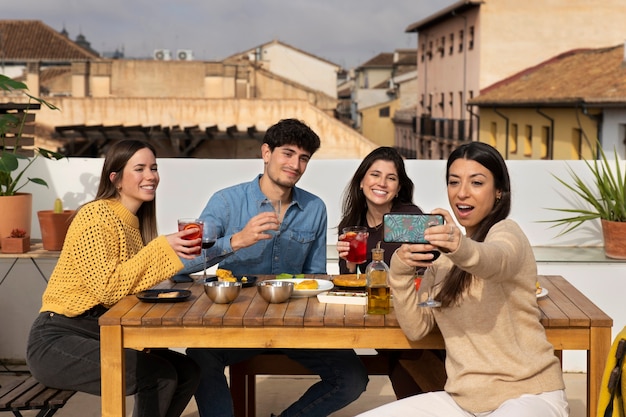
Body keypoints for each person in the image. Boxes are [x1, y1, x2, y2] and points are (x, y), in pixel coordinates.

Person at [357, 142, 569, 417]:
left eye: (477, 182)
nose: (462, 192)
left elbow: (495, 260)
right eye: (454, 182)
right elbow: (417, 328)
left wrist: (459, 245)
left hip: (528, 394)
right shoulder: (443, 261)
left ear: (499, 191)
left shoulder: (507, 233)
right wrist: (400, 268)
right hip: (463, 402)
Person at [180, 118, 368, 417]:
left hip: (295, 326)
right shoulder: (227, 202)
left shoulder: (314, 208)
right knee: (199, 357)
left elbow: (315, 276)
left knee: (352, 379)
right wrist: (237, 240)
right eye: (288, 153)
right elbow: (183, 264)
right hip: (236, 324)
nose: (295, 164)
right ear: (266, 153)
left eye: (303, 158)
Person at [26, 139, 201, 417]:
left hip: (100, 332)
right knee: (159, 375)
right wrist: (162, 247)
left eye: (153, 168)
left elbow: (132, 284)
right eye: (140, 168)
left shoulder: (133, 225)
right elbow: (108, 289)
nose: (151, 176)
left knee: (188, 370)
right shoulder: (96, 215)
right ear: (116, 179)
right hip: (58, 338)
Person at [336, 146, 446, 399]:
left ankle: (426, 400)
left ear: (398, 187)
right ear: (362, 181)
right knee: (402, 354)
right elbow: (349, 283)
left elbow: (426, 273)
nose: (382, 183)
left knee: (406, 354)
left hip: (413, 316)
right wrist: (350, 265)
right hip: (378, 315)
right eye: (375, 175)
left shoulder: (408, 218)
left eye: (391, 178)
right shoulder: (352, 225)